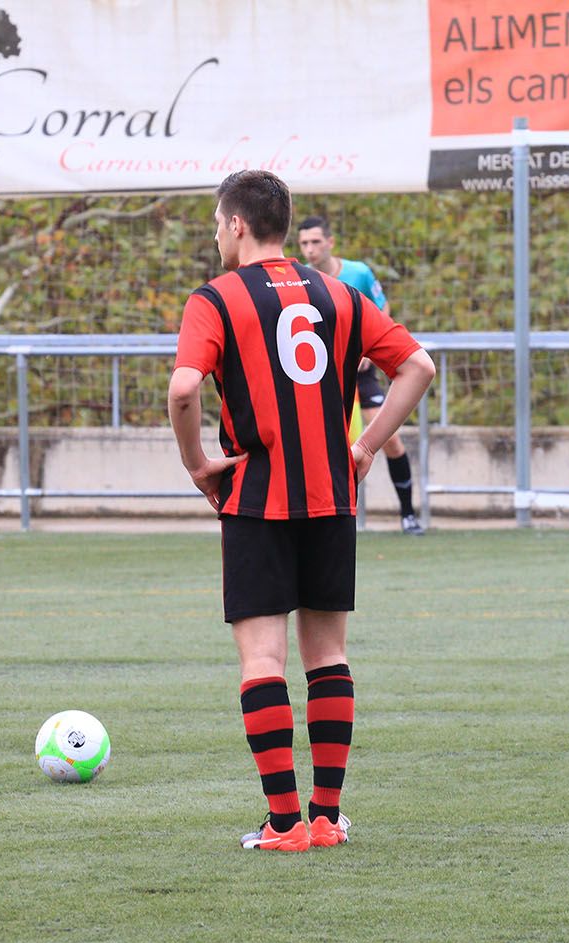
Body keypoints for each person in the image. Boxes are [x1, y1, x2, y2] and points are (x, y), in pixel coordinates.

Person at [169, 171, 436, 850]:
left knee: (263, 657)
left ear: (234, 225)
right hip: (330, 496)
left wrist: (198, 463)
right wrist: (366, 445)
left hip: (256, 498)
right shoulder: (339, 294)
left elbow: (182, 390)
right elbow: (419, 367)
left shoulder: (215, 298)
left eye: (215, 223)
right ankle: (326, 815)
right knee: (329, 656)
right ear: (286, 225)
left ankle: (284, 822)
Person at [296, 215, 426, 535]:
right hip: (324, 373)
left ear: (330, 242)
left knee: (389, 439)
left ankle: (408, 514)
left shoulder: (358, 273)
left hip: (360, 370)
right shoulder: (300, 280)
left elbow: (382, 312)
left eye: (315, 242)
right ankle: (320, 518)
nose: (310, 249)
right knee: (318, 443)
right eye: (304, 244)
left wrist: (367, 351)